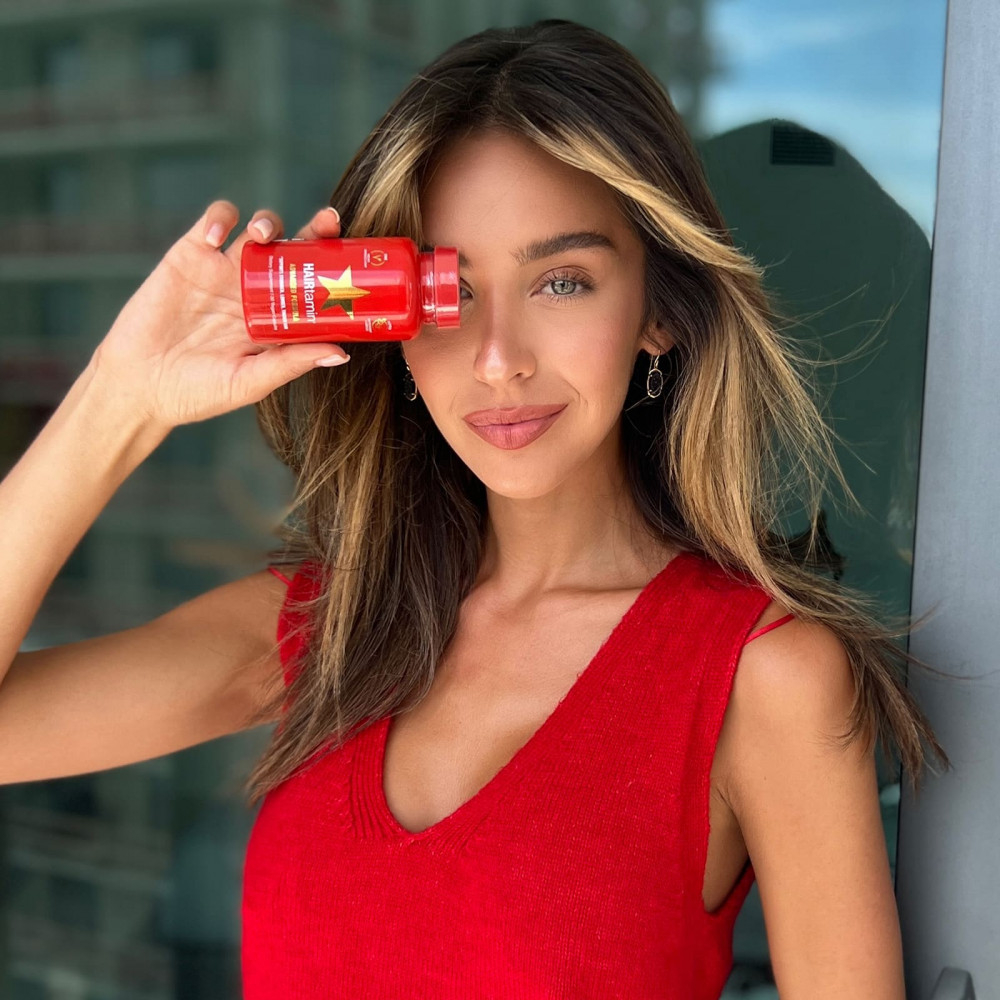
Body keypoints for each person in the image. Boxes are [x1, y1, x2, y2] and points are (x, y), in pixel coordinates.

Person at [0, 18, 948, 1000]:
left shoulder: (763, 677)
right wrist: (122, 395)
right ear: (395, 322)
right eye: (446, 290)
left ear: (658, 311)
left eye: (562, 281)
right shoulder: (321, 629)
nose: (499, 358)